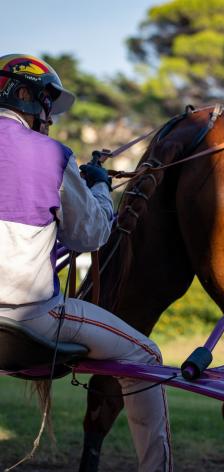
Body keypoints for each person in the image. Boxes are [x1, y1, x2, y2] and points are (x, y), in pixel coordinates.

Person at [0, 54, 172, 472]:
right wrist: (96, 185)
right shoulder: (52, 155)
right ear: (23, 94)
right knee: (147, 359)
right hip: (33, 319)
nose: (50, 119)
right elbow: (92, 235)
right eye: (46, 105)